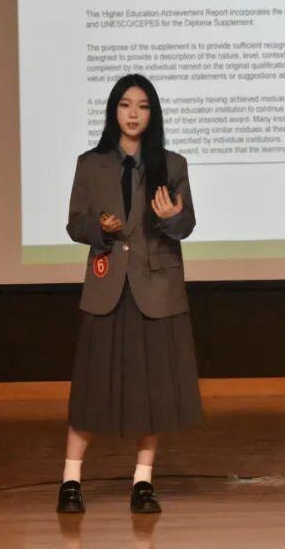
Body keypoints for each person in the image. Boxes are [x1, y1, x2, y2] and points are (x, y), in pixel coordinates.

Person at [57, 74, 203, 515]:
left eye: (142, 106)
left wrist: (172, 217)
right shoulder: (91, 164)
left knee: (151, 391)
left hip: (155, 288)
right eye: (125, 105)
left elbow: (185, 225)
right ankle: (70, 481)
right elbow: (75, 223)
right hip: (107, 288)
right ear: (113, 111)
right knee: (91, 388)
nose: (133, 113)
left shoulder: (172, 165)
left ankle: (143, 481)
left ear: (152, 113)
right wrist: (99, 229)